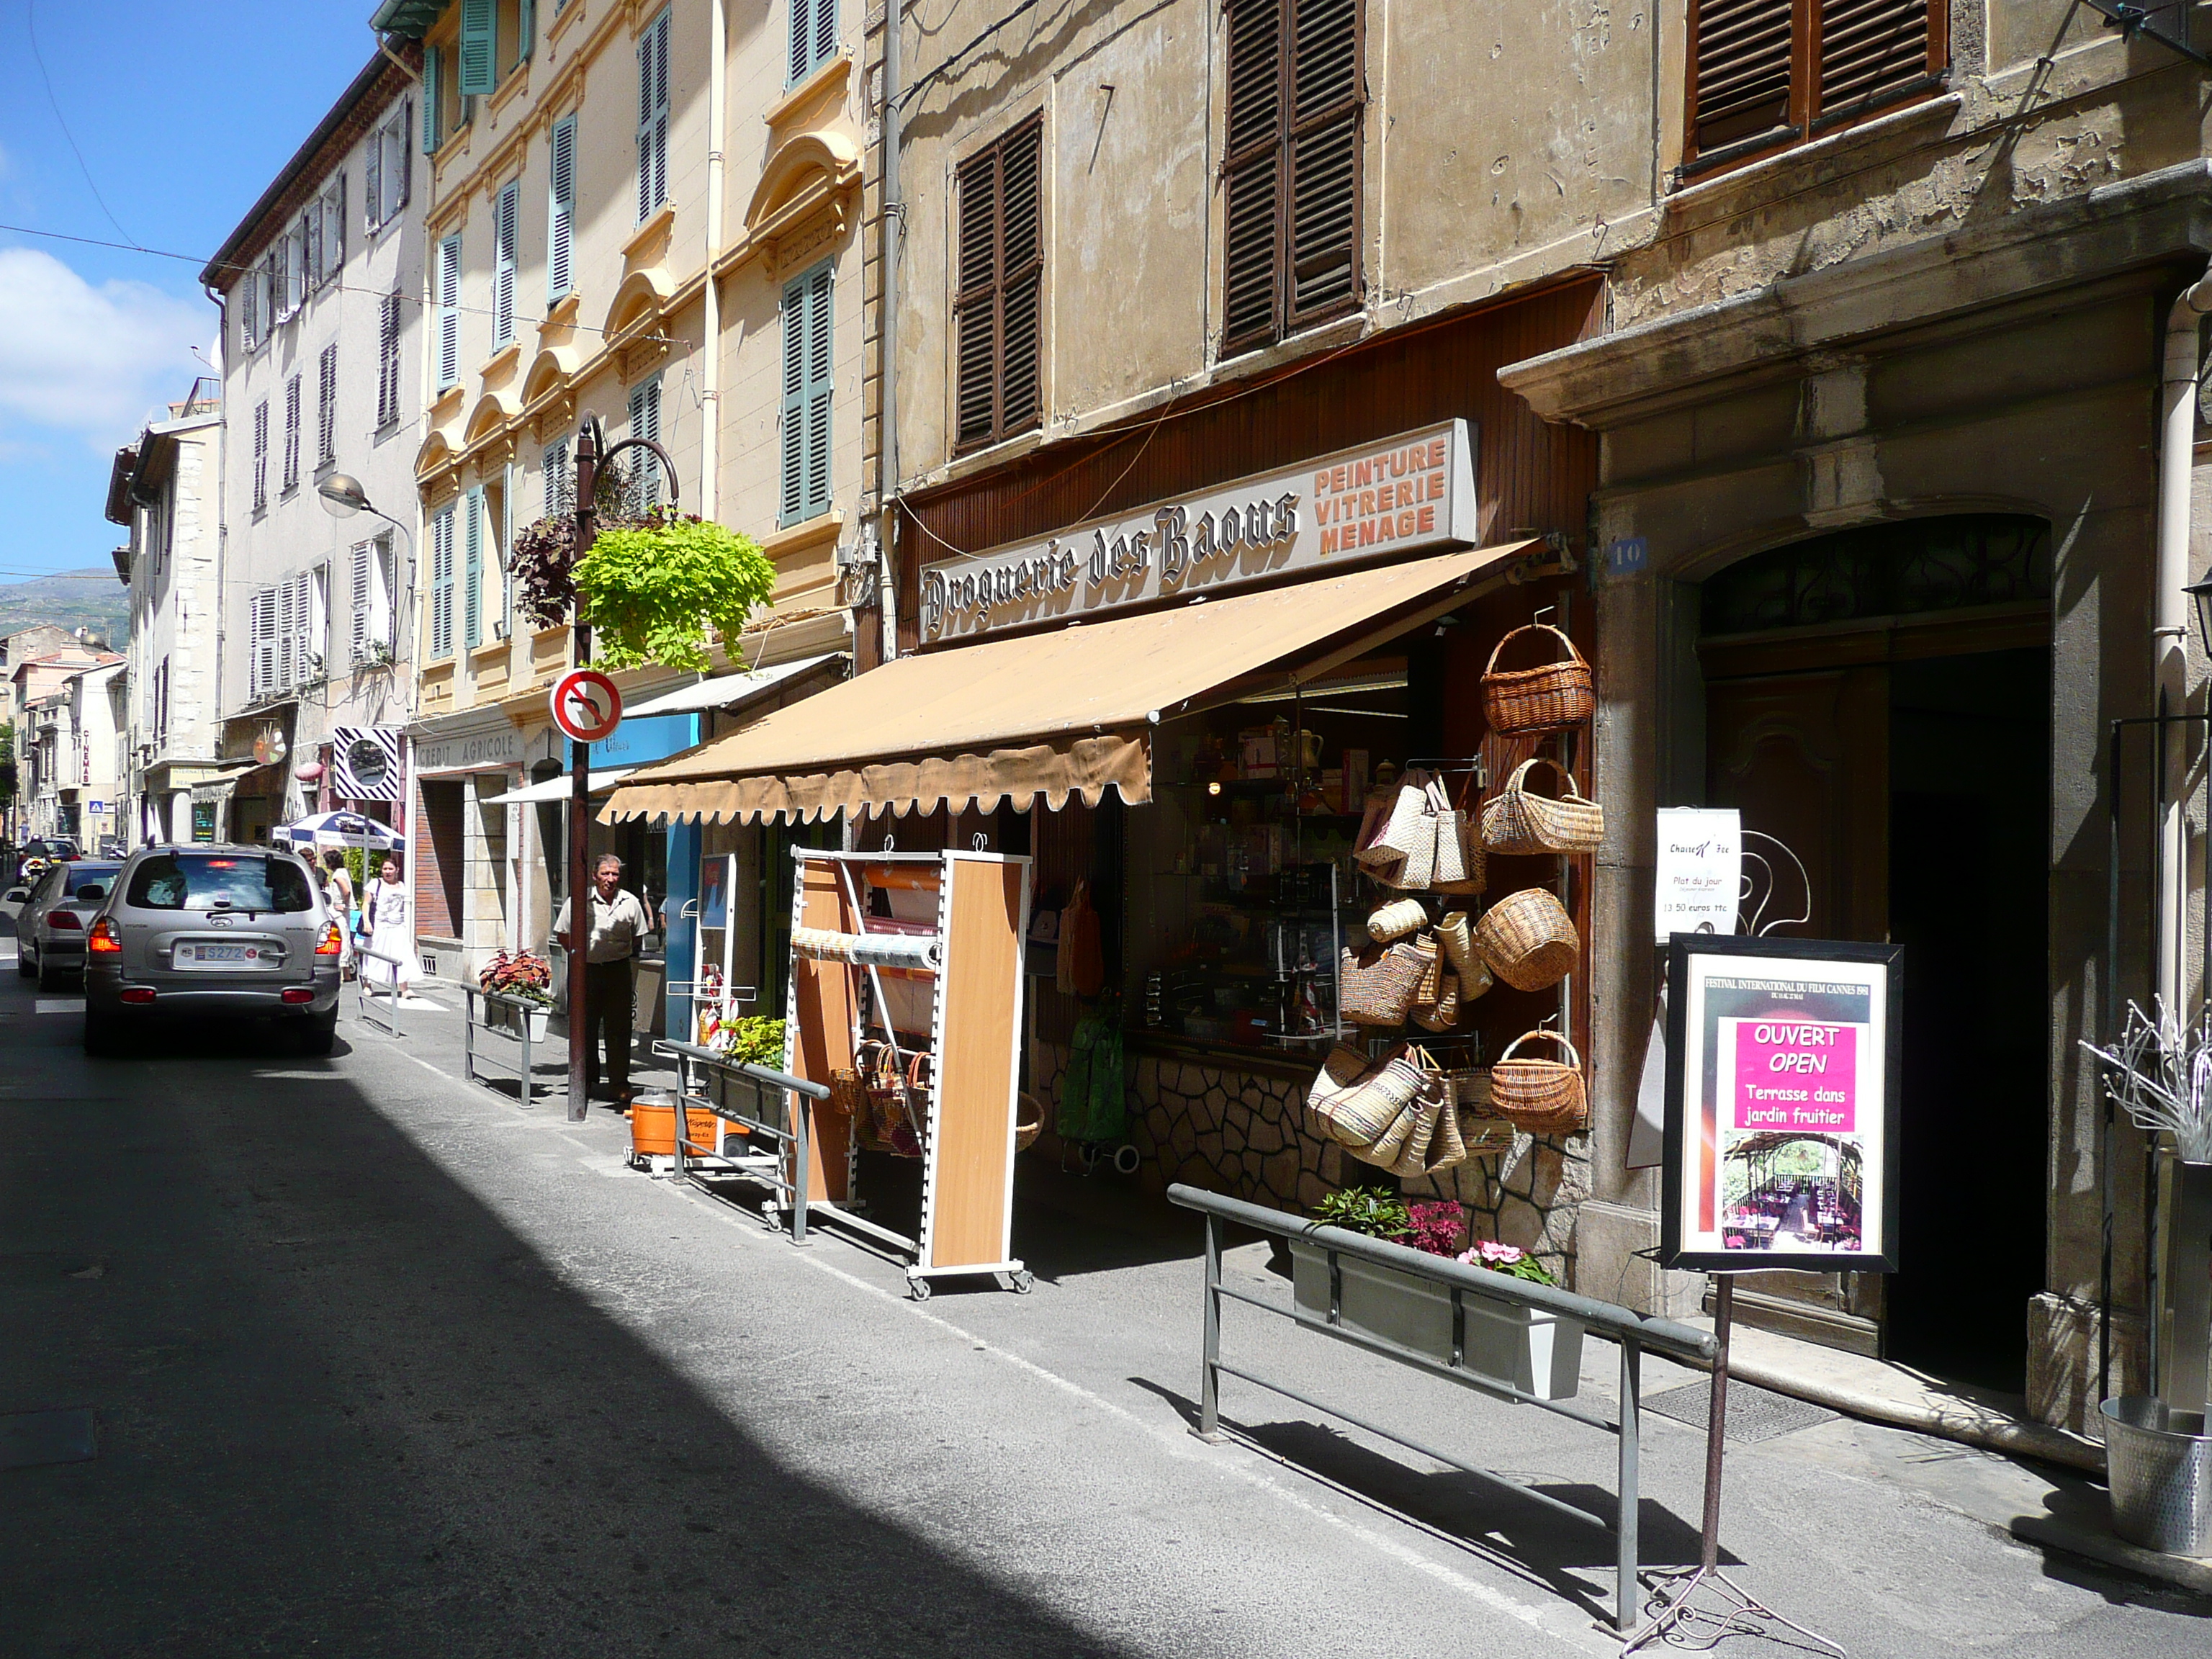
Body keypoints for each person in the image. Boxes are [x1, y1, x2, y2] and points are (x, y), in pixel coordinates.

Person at [554, 853, 650, 1105]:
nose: (610, 879)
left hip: (618, 970)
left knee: (619, 1029)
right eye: (605, 874)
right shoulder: (578, 901)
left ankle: (618, 1084)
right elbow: (563, 934)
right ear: (595, 876)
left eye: (615, 874)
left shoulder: (630, 902)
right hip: (586, 971)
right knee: (584, 1027)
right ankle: (586, 1080)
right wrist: (580, 958)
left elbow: (638, 936)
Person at [363, 855, 421, 999]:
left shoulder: (402, 886)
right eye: (385, 869)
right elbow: (366, 904)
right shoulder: (375, 883)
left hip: (397, 925)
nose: (387, 872)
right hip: (379, 924)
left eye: (390, 869)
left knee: (402, 954)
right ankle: (368, 983)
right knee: (375, 952)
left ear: (397, 870)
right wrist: (366, 922)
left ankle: (404, 988)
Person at [321, 850, 357, 977]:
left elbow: (346, 891)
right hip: (343, 912)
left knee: (342, 938)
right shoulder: (344, 872)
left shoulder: (337, 875)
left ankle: (344, 973)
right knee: (345, 938)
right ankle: (346, 973)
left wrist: (344, 904)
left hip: (338, 912)